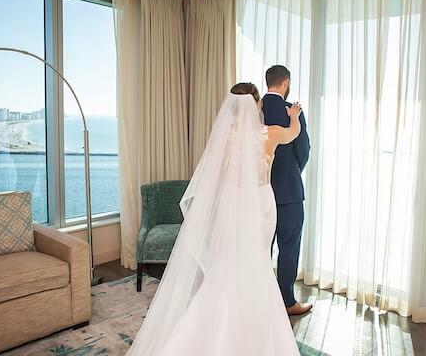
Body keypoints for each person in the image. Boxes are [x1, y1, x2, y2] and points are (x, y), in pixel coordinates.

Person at [127, 83, 303, 356]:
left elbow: (217, 180)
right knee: (258, 262)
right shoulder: (270, 134)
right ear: (256, 105)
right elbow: (295, 133)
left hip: (232, 203)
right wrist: (293, 115)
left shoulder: (224, 139)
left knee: (228, 261)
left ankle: (214, 326)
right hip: (261, 204)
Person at [261, 65, 312, 316]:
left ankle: (258, 296)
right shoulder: (293, 111)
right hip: (289, 193)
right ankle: (287, 302)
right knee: (289, 246)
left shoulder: (255, 110)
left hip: (259, 193)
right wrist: (292, 172)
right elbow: (303, 150)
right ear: (286, 82)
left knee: (260, 247)